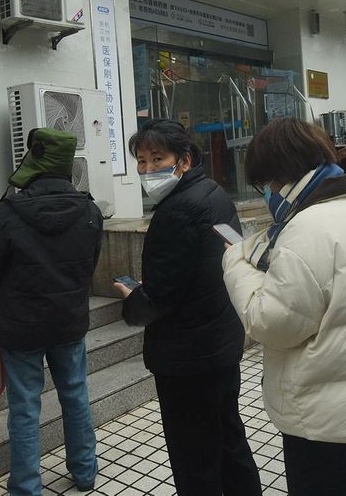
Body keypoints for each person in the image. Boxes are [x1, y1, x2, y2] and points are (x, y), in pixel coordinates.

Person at [223, 118, 346, 496]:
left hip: (324, 413)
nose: (267, 192)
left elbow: (271, 322)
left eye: (266, 183)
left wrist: (234, 263)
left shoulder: (307, 227)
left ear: (282, 173)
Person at [113, 119, 260, 496]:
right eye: (141, 161)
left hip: (188, 358)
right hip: (220, 343)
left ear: (184, 159)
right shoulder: (213, 193)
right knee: (229, 438)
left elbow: (159, 299)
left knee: (195, 457)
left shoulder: (176, 212)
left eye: (157, 159)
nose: (148, 170)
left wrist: (134, 302)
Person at [0, 128, 103, 495]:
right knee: (76, 395)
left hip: (21, 326)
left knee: (24, 408)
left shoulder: (5, 213)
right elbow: (89, 266)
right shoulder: (90, 211)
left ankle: (27, 487)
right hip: (69, 320)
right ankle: (85, 472)